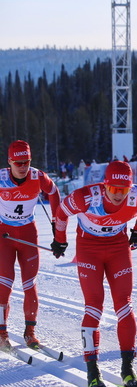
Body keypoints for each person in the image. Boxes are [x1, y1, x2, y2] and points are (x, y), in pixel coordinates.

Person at [51, 161, 137, 387]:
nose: (119, 195)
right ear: (105, 185)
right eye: (115, 189)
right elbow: (60, 212)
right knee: (94, 305)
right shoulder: (85, 197)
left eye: (124, 190)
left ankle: (128, 369)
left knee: (124, 305)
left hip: (118, 248)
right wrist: (60, 240)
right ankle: (92, 372)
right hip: (89, 249)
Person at [0, 140, 61, 351]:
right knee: (5, 283)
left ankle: (30, 332)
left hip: (28, 233)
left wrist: (57, 226)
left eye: (26, 161)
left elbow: (54, 193)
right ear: (9, 162)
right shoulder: (1, 178)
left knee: (30, 283)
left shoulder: (38, 176)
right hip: (4, 236)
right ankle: (1, 332)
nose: (23, 166)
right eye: (18, 162)